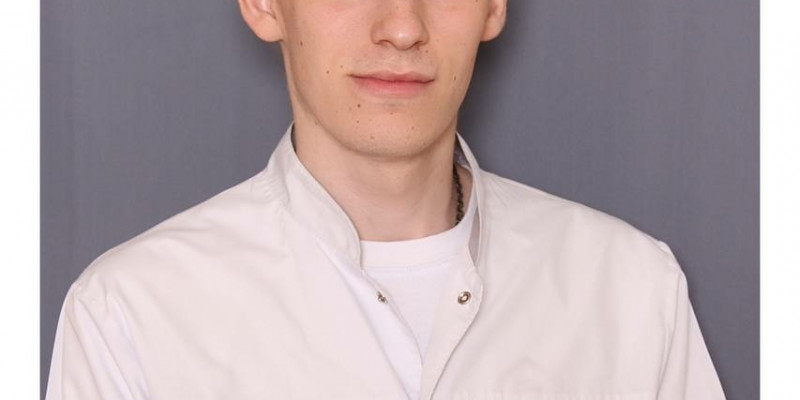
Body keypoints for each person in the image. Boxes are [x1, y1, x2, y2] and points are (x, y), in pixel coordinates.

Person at [44, 1, 726, 399]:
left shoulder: (632, 291)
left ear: (493, 6)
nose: (402, 27)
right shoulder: (130, 317)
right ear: (263, 4)